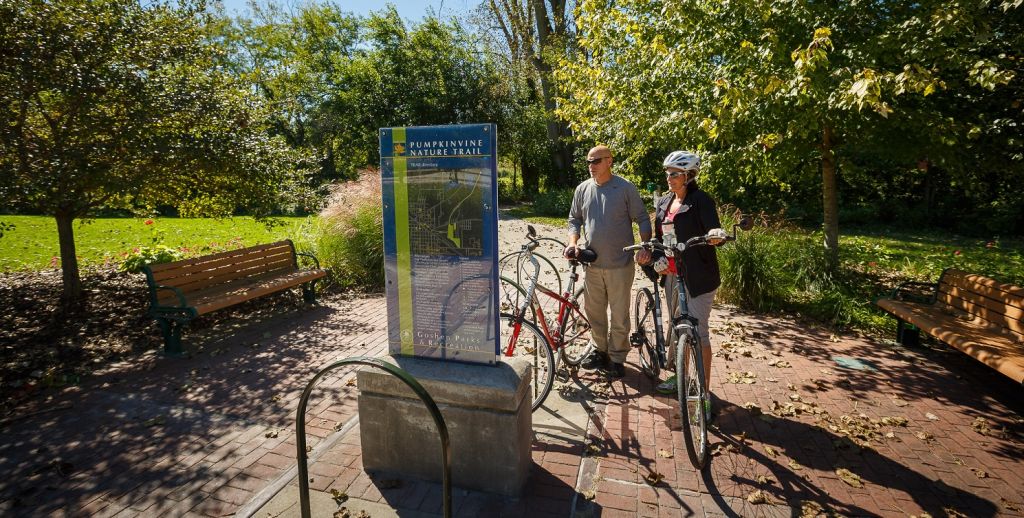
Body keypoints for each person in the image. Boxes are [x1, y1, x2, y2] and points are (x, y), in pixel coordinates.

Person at [566, 145, 652, 378]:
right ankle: (599, 350)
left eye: (596, 161)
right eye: (589, 162)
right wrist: (573, 243)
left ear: (609, 161)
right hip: (592, 264)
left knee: (619, 314)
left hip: (620, 264)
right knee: (594, 312)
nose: (591, 166)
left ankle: (616, 357)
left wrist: (645, 245)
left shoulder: (624, 188)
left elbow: (642, 218)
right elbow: (574, 219)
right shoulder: (583, 189)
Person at [648, 151, 722, 398]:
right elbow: (659, 239)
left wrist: (715, 236)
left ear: (689, 176)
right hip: (672, 274)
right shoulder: (664, 203)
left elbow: (714, 229)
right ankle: (681, 376)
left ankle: (703, 391)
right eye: (668, 173)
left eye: (675, 174)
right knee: (679, 328)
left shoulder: (701, 200)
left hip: (699, 276)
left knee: (698, 332)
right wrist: (654, 255)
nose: (669, 178)